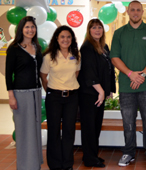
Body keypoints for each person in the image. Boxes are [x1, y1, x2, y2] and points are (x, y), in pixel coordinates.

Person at [110, 0, 146, 167]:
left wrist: (143, 75)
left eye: (138, 10)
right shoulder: (119, 33)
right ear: (127, 11)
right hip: (126, 86)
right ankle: (128, 152)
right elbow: (115, 58)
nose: (135, 12)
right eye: (132, 10)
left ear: (142, 11)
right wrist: (131, 74)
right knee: (128, 122)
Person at [40, 25, 80, 170]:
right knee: (54, 131)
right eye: (62, 37)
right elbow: (43, 77)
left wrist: (67, 85)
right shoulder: (49, 56)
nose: (65, 39)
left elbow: (76, 73)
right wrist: (52, 90)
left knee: (69, 131)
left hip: (72, 97)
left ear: (72, 39)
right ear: (57, 38)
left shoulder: (76, 55)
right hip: (54, 98)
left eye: (68, 37)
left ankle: (67, 163)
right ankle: (55, 164)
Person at [5, 16, 43, 170]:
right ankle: (24, 165)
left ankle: (34, 163)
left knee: (35, 128)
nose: (30, 30)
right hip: (21, 94)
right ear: (21, 29)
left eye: (32, 27)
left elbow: (42, 71)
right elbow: (8, 74)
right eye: (27, 27)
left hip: (36, 92)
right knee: (23, 130)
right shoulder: (14, 49)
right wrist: (11, 96)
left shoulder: (37, 47)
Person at [78, 18, 116, 168]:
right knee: (89, 127)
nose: (97, 30)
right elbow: (89, 72)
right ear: (89, 30)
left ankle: (92, 155)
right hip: (89, 94)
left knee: (95, 126)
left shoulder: (103, 46)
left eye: (99, 27)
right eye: (94, 28)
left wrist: (109, 90)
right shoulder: (87, 47)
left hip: (99, 93)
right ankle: (89, 158)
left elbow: (109, 69)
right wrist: (100, 91)